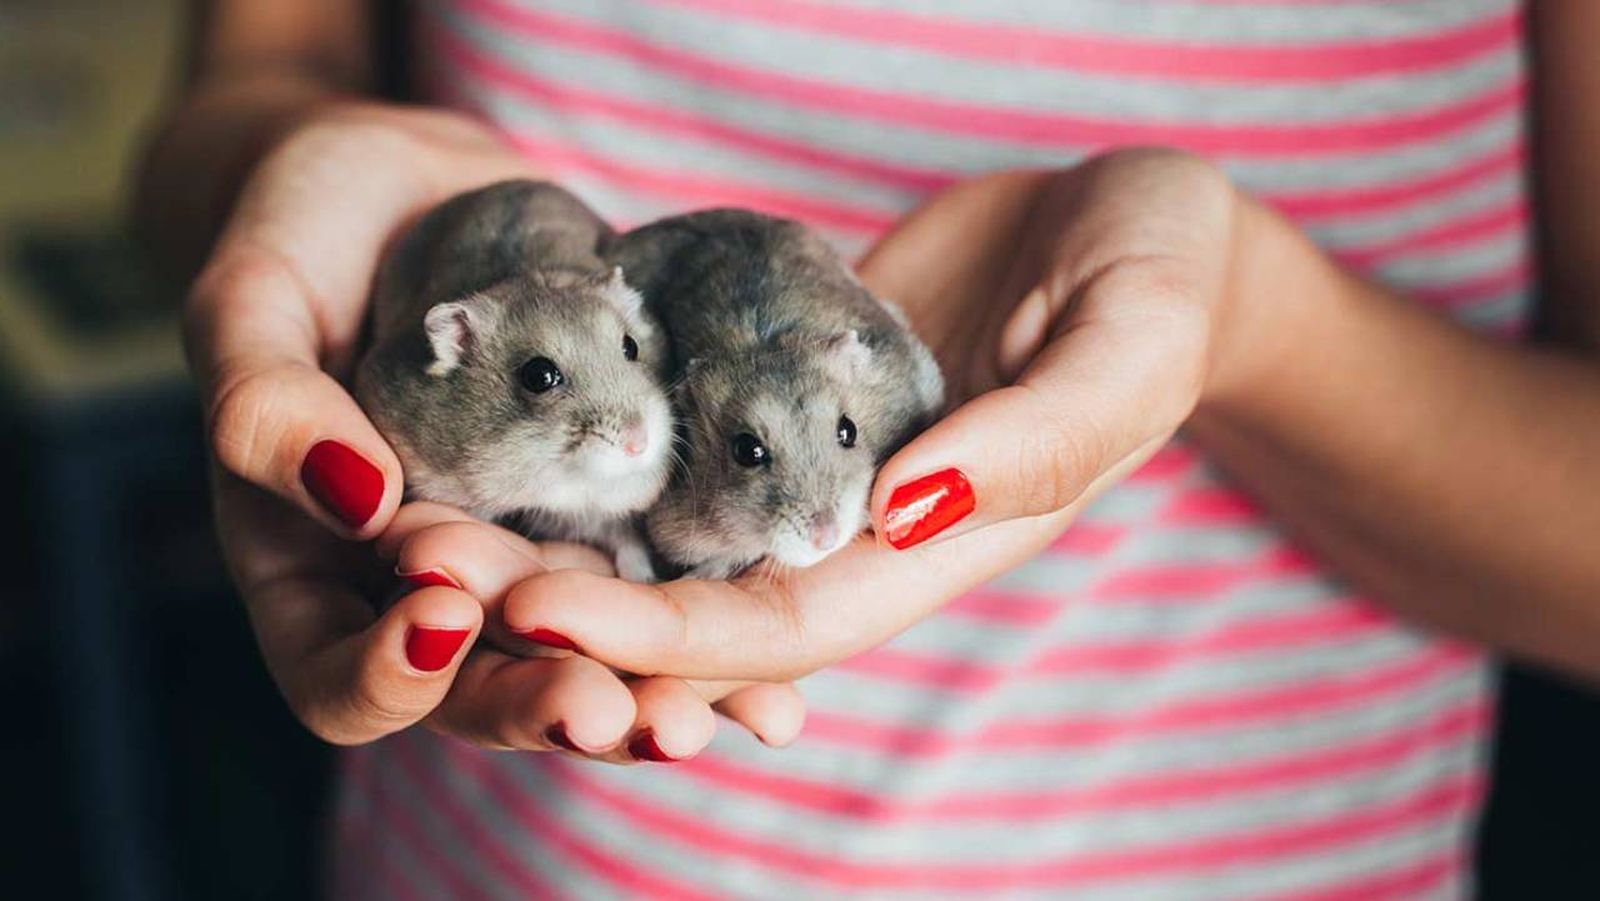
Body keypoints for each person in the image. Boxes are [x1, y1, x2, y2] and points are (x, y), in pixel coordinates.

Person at [139, 0, 1599, 896]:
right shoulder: (586, 387)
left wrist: (1240, 318)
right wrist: (277, 183)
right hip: (491, 839)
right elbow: (254, 78)